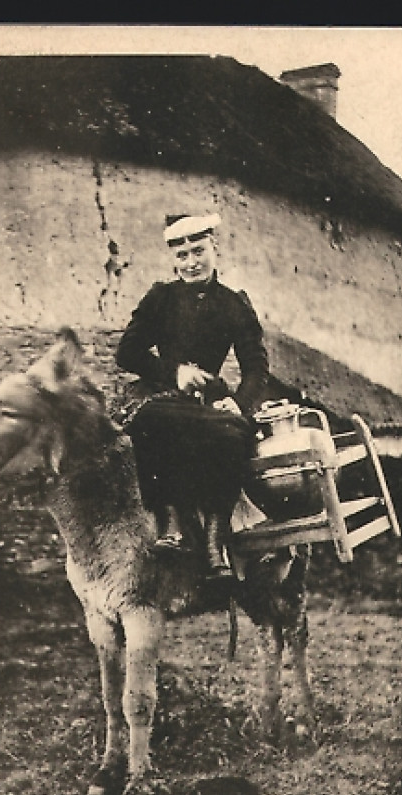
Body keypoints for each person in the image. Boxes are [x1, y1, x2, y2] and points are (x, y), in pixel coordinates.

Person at [116, 211, 276, 580]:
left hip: (210, 402)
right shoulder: (161, 298)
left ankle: (214, 540)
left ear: (214, 248)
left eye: (198, 251)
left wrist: (238, 402)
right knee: (150, 419)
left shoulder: (234, 304)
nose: (191, 262)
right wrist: (174, 373)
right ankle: (170, 524)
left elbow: (256, 367)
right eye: (182, 255)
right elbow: (128, 353)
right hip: (163, 396)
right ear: (173, 260)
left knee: (235, 430)